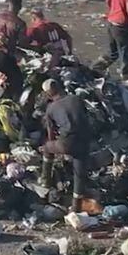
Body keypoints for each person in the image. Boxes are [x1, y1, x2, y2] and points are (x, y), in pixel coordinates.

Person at [39, 79, 91, 211]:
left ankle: (45, 182)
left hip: (66, 143)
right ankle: (76, 206)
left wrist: (52, 145)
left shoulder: (51, 108)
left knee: (46, 148)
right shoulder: (76, 98)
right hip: (85, 140)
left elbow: (50, 134)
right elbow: (85, 117)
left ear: (48, 94)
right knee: (79, 171)